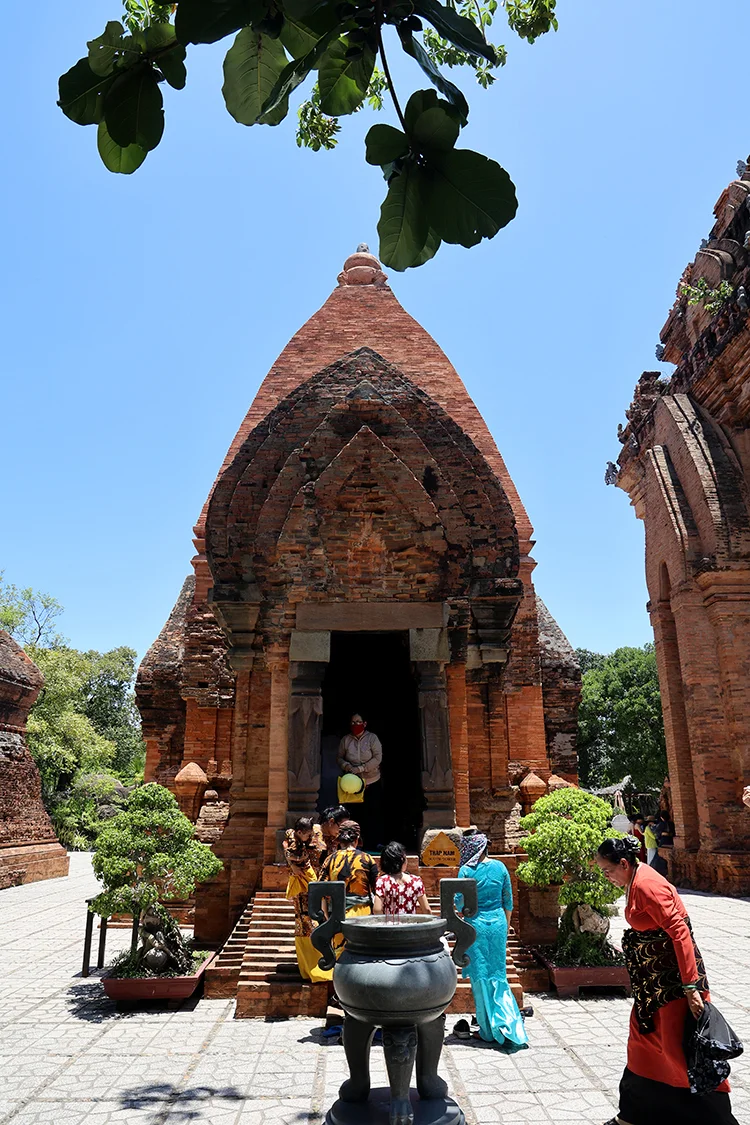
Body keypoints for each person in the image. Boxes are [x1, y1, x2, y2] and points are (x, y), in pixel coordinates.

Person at [596, 836, 739, 1125]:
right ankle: (633, 1114)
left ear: (624, 863)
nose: (606, 877)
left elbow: (681, 933)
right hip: (654, 988)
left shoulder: (649, 885)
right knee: (643, 1045)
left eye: (607, 871)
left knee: (680, 1050)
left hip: (674, 987)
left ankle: (718, 1118)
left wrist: (691, 988)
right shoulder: (634, 881)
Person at [454, 833, 528, 1050]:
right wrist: (504, 929)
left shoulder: (466, 870)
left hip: (475, 926)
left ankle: (487, 1031)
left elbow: (460, 905)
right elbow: (508, 901)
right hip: (497, 925)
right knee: (498, 975)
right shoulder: (501, 867)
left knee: (479, 978)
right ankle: (508, 1025)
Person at [283, 816, 332, 983]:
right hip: (303, 887)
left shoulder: (317, 834)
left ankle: (319, 964)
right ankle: (309, 968)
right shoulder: (292, 837)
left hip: (315, 884)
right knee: (305, 923)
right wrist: (292, 865)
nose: (311, 837)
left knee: (317, 920)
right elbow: (287, 847)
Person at [337, 713, 383, 850]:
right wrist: (348, 767)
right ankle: (353, 844)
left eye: (358, 722)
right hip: (352, 785)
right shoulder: (346, 740)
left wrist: (362, 768)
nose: (355, 725)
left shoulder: (372, 738)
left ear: (365, 723)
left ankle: (374, 843)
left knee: (373, 813)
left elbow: (377, 757)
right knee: (354, 814)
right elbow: (339, 758)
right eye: (353, 722)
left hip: (372, 781)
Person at [320, 820, 378, 918]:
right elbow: (377, 889)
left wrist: (327, 919)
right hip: (363, 917)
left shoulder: (330, 860)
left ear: (340, 840)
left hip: (337, 916)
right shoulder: (367, 859)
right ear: (357, 839)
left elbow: (321, 892)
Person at [373, 841, 431, 916]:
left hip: (390, 926)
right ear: (402, 860)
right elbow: (426, 910)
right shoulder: (416, 881)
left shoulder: (382, 881)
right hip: (410, 926)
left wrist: (384, 923)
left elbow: (377, 909)